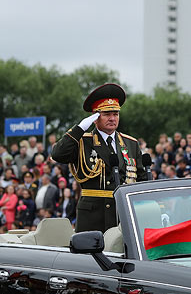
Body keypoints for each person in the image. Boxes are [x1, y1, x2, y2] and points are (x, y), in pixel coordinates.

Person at [51, 83, 146, 233]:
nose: (112, 118)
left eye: (115, 114)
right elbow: (58, 154)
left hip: (122, 216)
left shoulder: (130, 143)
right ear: (95, 118)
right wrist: (79, 129)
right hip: (93, 217)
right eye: (107, 114)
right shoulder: (83, 141)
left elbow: (142, 180)